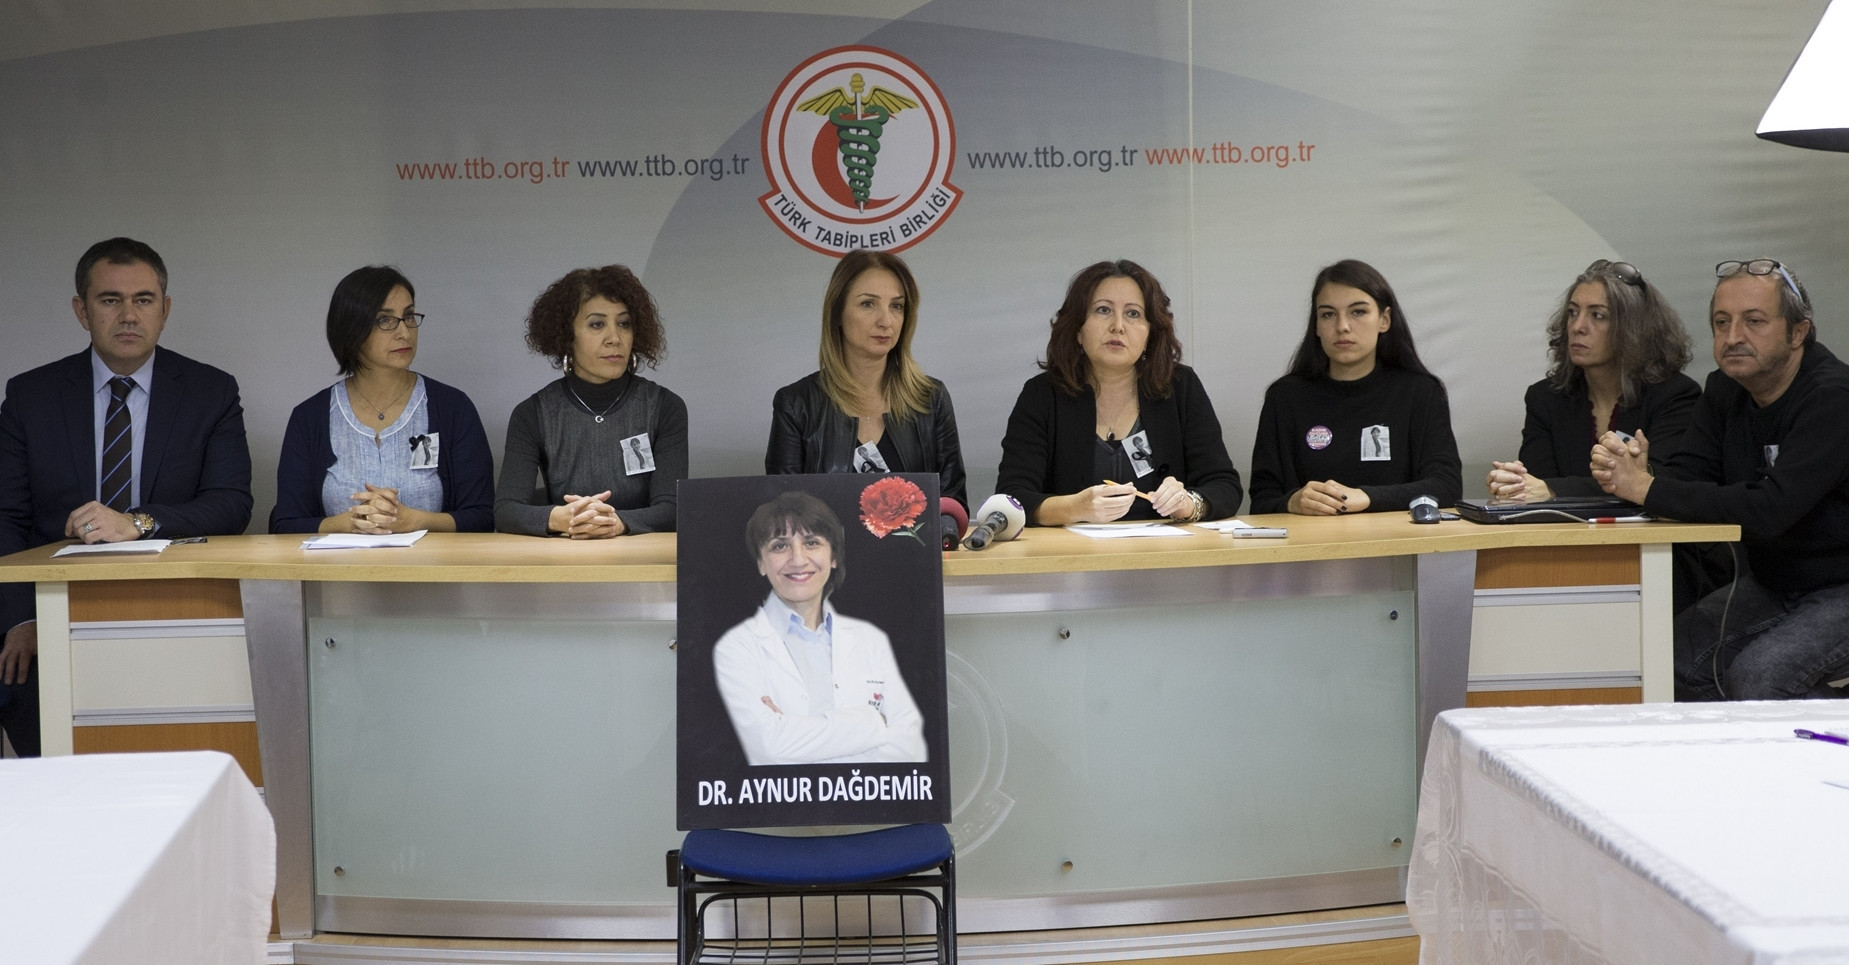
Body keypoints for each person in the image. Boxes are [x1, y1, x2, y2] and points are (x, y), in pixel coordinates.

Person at [0, 237, 253, 757]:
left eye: (143, 299)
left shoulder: (210, 391)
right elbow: (6, 516)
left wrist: (138, 523)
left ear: (165, 309)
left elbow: (231, 504)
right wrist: (22, 618)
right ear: (82, 310)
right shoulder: (30, 396)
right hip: (53, 613)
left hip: (176, 608)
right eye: (110, 300)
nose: (129, 315)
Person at [1593, 259, 1849, 701]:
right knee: (1663, 661)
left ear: (1798, 333)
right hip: (1776, 581)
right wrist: (1640, 472)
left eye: (1754, 321)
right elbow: (1687, 478)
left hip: (1841, 585)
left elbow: (1771, 510)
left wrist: (1649, 489)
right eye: (1721, 322)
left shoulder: (1832, 398)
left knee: (1757, 678)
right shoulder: (1725, 389)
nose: (1733, 338)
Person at [996, 260, 1243, 525]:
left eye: (1133, 313)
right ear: (1078, 329)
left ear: (1150, 333)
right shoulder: (1043, 395)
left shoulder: (1180, 387)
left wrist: (1189, 503)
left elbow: (1224, 485)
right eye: (1103, 310)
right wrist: (1074, 508)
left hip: (1164, 548)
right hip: (1072, 549)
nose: (1118, 326)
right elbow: (1012, 497)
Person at [270, 267, 494, 534]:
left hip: (431, 561)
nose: (404, 332)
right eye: (385, 320)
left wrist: (415, 521)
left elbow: (483, 517)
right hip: (339, 562)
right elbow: (285, 524)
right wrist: (350, 522)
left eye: (408, 316)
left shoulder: (453, 408)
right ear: (352, 329)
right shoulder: (309, 417)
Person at [713, 491, 925, 766]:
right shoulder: (737, 647)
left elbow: (909, 750)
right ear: (761, 563)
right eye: (780, 546)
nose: (798, 559)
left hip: (862, 795)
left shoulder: (870, 640)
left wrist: (795, 735)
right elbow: (769, 745)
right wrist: (874, 722)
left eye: (812, 542)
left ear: (834, 556)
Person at [1248, 259, 1461, 515]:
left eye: (1358, 312)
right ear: (1316, 325)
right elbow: (1262, 500)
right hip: (1310, 538)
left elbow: (1446, 487)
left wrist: (1368, 497)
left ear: (1384, 320)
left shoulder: (1419, 391)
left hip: (1396, 538)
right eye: (1328, 314)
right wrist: (1292, 502)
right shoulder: (1285, 397)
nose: (1342, 327)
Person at [766, 250, 967, 509]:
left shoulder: (931, 398)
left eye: (896, 306)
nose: (886, 321)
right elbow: (785, 514)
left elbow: (953, 505)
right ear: (837, 313)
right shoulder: (796, 404)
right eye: (868, 304)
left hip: (916, 538)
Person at [494, 265, 687, 537]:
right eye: (597, 324)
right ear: (566, 336)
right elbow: (506, 510)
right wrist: (561, 519)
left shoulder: (665, 407)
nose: (614, 338)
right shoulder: (532, 414)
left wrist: (617, 522)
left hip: (642, 556)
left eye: (624, 323)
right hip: (565, 553)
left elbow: (672, 508)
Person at [1487, 260, 1699, 500]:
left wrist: (1555, 491)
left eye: (1598, 315)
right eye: (1572, 312)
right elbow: (1537, 485)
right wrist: (1515, 485)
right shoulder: (1545, 398)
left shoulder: (1675, 396)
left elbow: (1661, 484)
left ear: (1634, 329)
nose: (1577, 327)